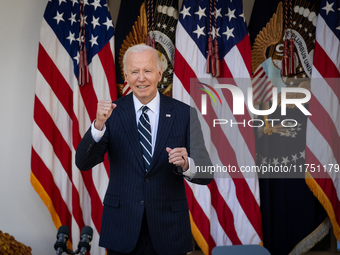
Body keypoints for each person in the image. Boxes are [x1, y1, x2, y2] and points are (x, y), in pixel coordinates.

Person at [75, 44, 212, 255]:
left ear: (159, 74)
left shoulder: (184, 114)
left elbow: (206, 173)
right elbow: (83, 162)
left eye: (147, 71)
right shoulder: (112, 114)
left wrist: (186, 163)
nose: (141, 78)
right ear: (126, 76)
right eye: (134, 72)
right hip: (122, 229)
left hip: (170, 231)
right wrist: (98, 125)